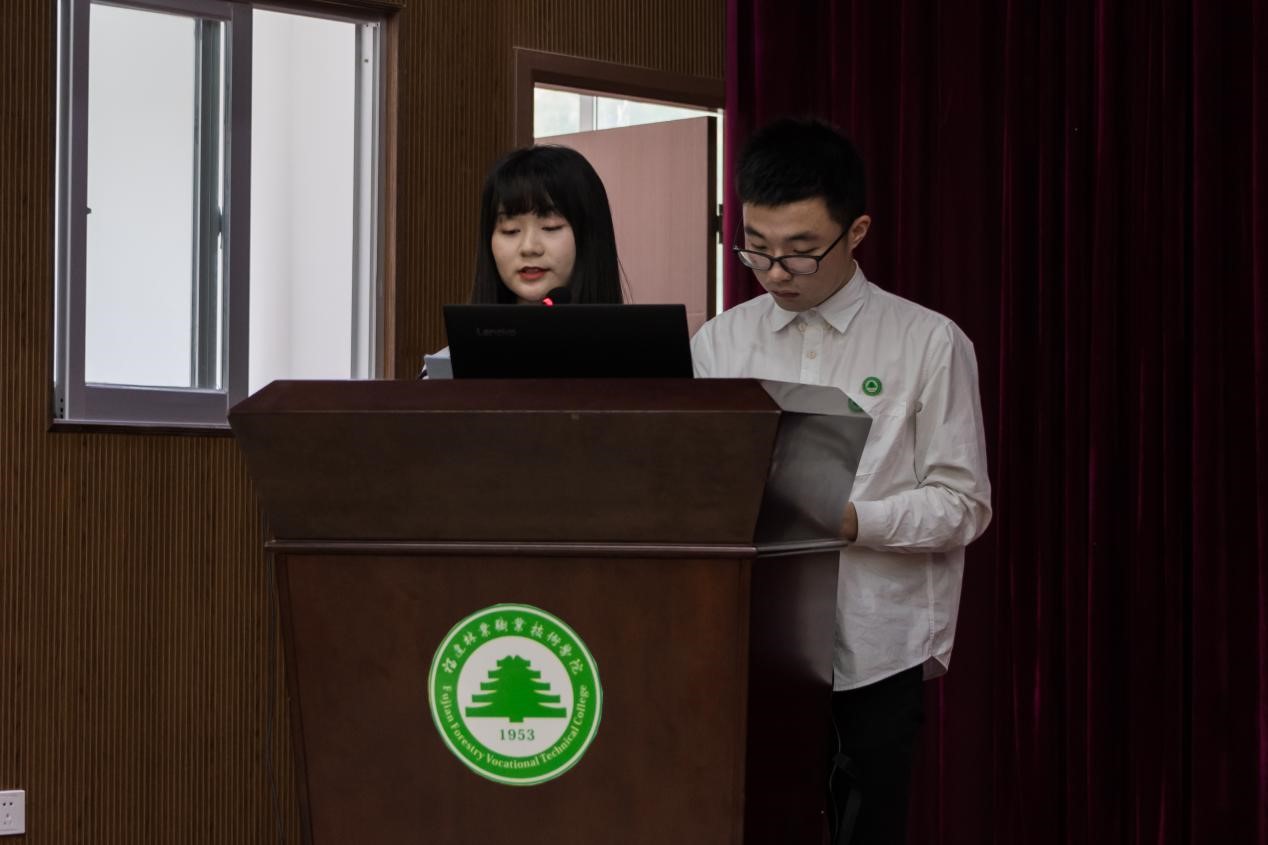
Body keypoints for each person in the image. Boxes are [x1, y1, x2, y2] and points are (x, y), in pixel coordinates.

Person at [690, 118, 992, 844]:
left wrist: (851, 519)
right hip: (751, 643)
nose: (774, 272)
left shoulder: (928, 342)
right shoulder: (719, 342)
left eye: (800, 251)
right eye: (756, 248)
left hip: (876, 644)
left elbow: (963, 504)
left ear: (856, 232)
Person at [421, 145, 624, 378]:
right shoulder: (446, 368)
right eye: (510, 230)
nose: (529, 247)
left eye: (550, 227)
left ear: (590, 237)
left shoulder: (639, 363)